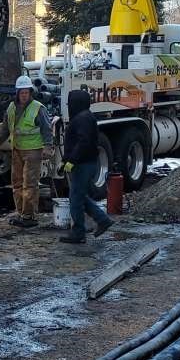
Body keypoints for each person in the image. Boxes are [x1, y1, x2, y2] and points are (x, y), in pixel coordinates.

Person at [60, 87, 115, 243]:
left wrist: (72, 160)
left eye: (70, 102)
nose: (68, 105)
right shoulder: (84, 116)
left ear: (75, 103)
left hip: (83, 164)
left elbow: (83, 142)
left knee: (76, 198)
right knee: (80, 196)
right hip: (84, 162)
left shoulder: (82, 118)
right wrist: (65, 160)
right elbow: (75, 143)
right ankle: (102, 220)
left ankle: (78, 232)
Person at [0, 74, 52, 227]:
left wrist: (48, 146)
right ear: (17, 93)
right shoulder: (12, 108)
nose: (24, 95)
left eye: (26, 92)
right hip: (17, 150)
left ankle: (29, 216)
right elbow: (5, 127)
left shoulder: (38, 108)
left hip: (33, 150)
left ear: (30, 92)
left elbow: (47, 129)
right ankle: (21, 213)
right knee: (17, 183)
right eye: (21, 93)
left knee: (30, 184)